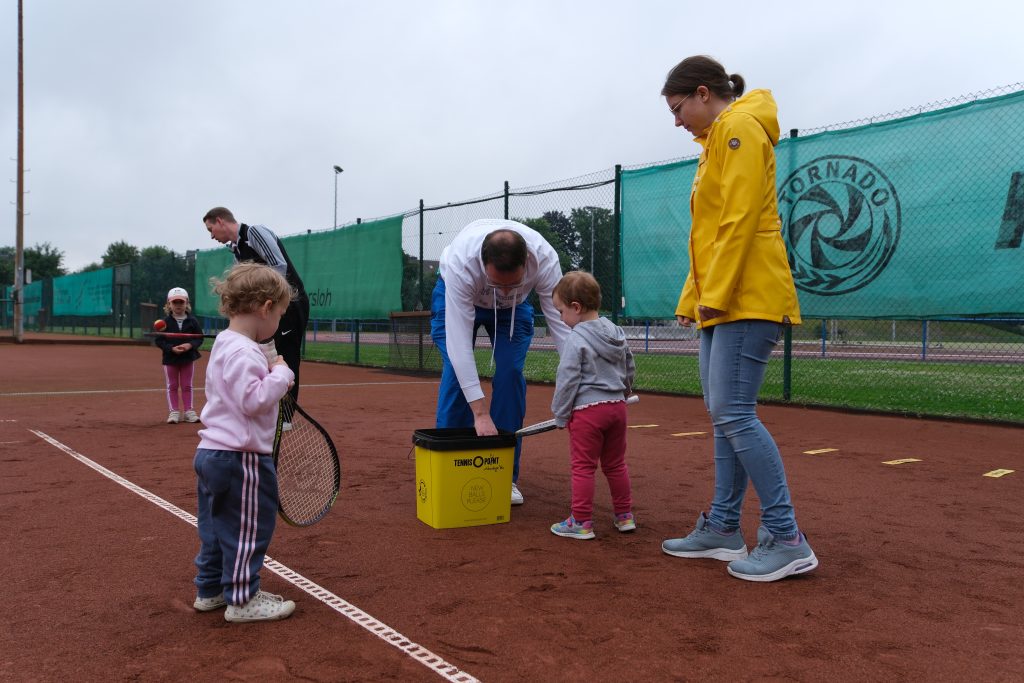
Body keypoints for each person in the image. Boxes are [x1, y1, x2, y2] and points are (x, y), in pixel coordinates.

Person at [659, 55, 818, 581]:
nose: (676, 121)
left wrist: (718, 295)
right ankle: (725, 527)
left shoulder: (740, 129)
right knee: (724, 413)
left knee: (733, 411)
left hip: (748, 298)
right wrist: (693, 300)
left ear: (703, 93)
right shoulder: (716, 142)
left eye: (678, 108)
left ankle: (787, 537)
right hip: (727, 299)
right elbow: (706, 238)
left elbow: (741, 219)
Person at [431, 218, 570, 506]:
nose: (504, 292)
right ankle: (446, 468)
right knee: (457, 375)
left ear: (528, 263)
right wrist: (480, 413)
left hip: (515, 312)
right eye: (497, 284)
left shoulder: (545, 259)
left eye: (514, 284)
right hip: (455, 296)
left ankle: (505, 475)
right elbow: (458, 344)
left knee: (510, 373)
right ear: (482, 264)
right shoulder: (461, 262)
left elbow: (562, 326)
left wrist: (579, 379)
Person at [192, 262, 297, 622]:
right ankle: (242, 597)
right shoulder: (245, 351)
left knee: (215, 527)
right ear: (266, 307)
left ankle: (210, 589)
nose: (279, 322)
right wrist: (282, 374)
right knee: (248, 527)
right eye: (280, 314)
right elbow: (253, 400)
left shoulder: (226, 342)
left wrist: (268, 366)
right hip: (241, 459)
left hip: (213, 453)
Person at [548, 271, 636, 540]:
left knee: (583, 466)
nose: (561, 318)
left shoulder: (576, 338)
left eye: (561, 311)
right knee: (616, 464)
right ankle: (624, 516)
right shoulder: (616, 332)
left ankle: (581, 521)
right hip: (617, 408)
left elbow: (568, 379)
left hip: (588, 412)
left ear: (576, 307)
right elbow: (629, 364)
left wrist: (561, 414)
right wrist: (625, 390)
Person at [203, 207, 309, 416]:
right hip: (267, 308)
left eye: (211, 229)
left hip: (289, 305)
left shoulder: (254, 233)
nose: (212, 235)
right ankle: (267, 405)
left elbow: (279, 266)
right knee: (267, 354)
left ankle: (286, 415)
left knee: (287, 355)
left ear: (220, 221)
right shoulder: (237, 249)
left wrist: (270, 302)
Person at [155, 287, 204, 424]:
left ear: (187, 303)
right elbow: (159, 340)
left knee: (187, 385)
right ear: (168, 304)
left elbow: (199, 338)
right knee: (173, 385)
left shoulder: (193, 321)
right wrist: (171, 348)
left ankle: (189, 411)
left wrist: (189, 345)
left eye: (181, 302)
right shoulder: (163, 323)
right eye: (175, 302)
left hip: (187, 358)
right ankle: (174, 412)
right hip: (171, 359)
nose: (178, 305)